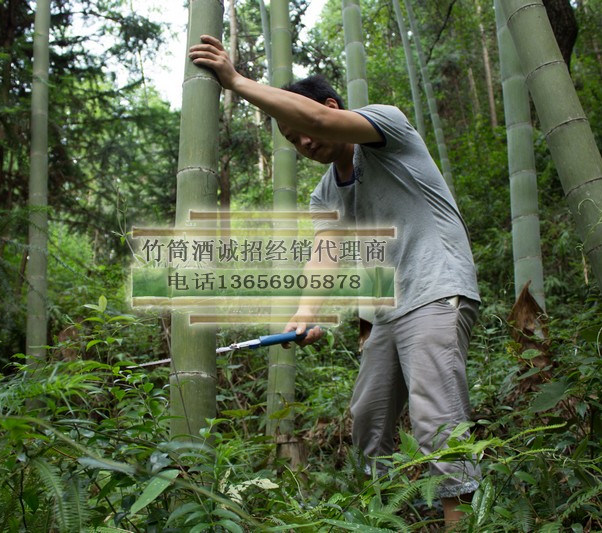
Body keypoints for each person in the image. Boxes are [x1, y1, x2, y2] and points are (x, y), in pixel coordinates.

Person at [189, 34, 481, 526]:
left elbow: (322, 122)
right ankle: (393, 518)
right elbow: (325, 257)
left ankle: (460, 522)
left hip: (435, 290)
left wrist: (236, 81)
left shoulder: (386, 127)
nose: (304, 141)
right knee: (368, 421)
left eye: (303, 125)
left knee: (437, 421)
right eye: (291, 139)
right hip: (386, 314)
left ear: (329, 106)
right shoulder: (325, 193)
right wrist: (306, 315)